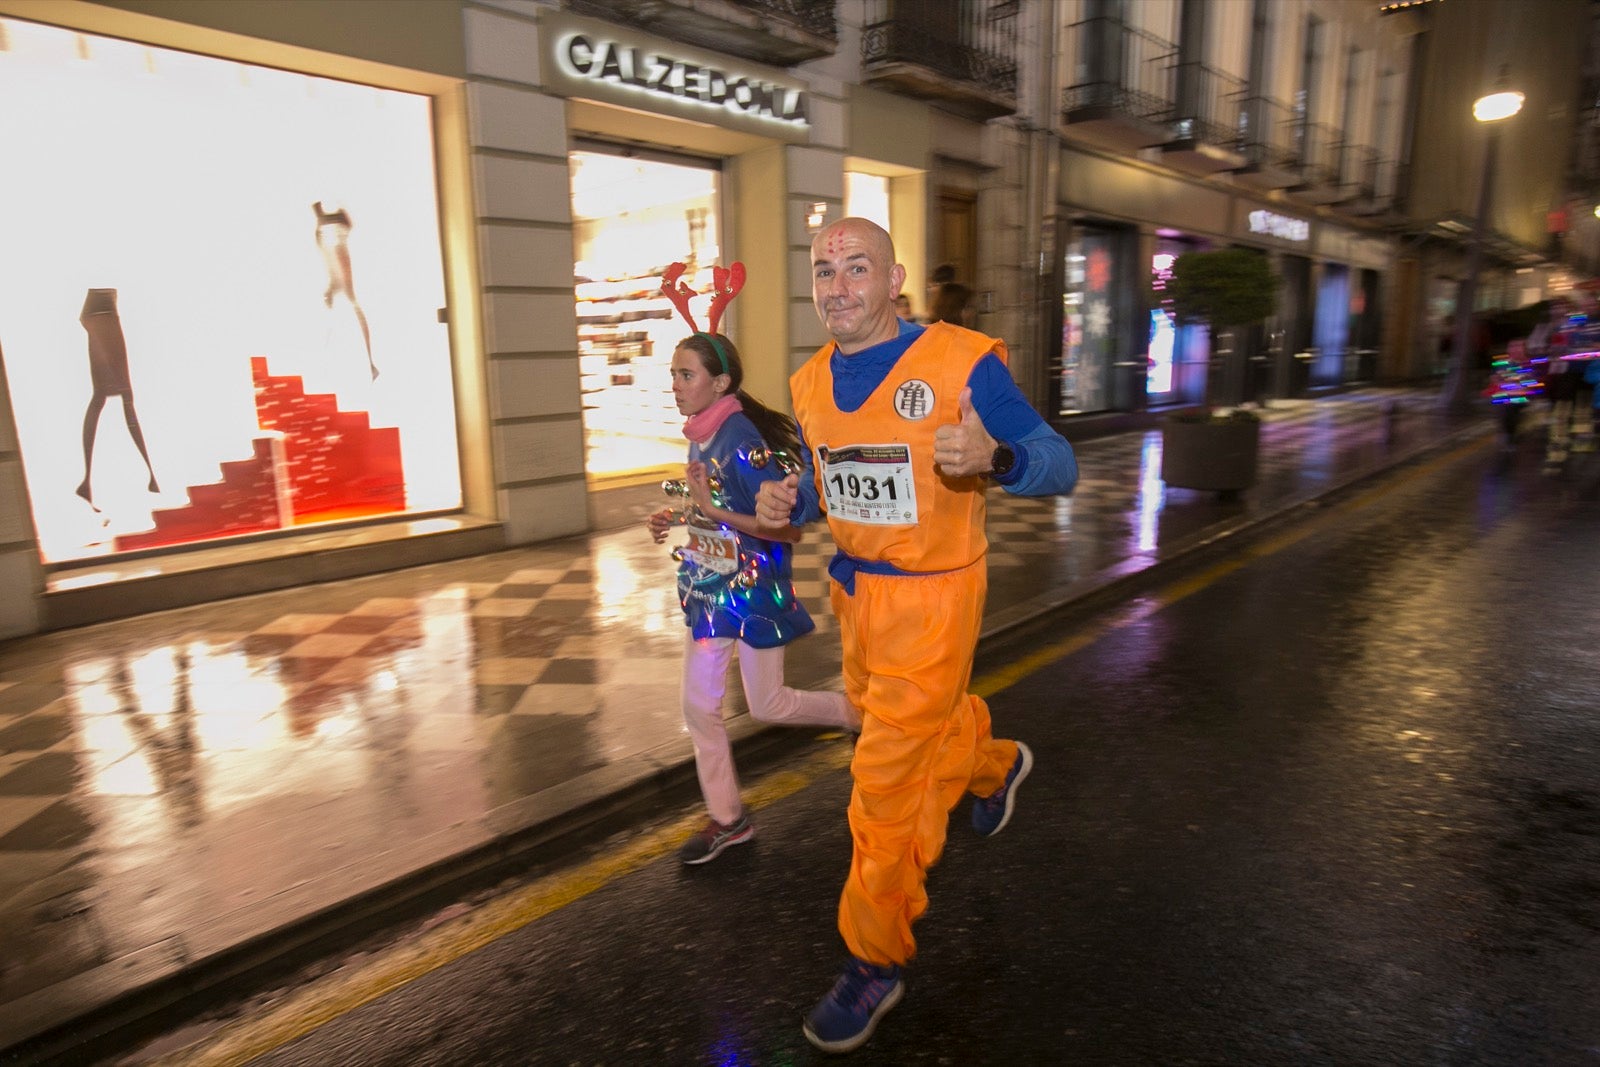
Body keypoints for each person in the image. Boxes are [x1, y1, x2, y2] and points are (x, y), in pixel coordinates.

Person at [753, 218, 1078, 1053]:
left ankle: (874, 958)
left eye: (856, 267)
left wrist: (996, 457)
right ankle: (995, 763)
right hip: (859, 600)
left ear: (894, 279)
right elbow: (832, 489)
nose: (837, 285)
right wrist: (792, 507)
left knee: (884, 782)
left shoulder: (962, 361)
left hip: (936, 603)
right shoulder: (808, 382)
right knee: (908, 731)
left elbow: (1059, 460)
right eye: (823, 269)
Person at [647, 328, 861, 865]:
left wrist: (712, 512)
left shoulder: (742, 440)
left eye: (685, 374)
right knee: (699, 706)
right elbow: (711, 498)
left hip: (753, 591)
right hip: (710, 590)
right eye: (673, 373)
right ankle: (728, 819)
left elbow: (785, 530)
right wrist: (678, 513)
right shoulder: (701, 430)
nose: (674, 384)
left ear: (720, 383)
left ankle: (858, 717)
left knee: (768, 704)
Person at [76, 287, 159, 509]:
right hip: (103, 314)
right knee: (119, 395)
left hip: (103, 313)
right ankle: (150, 473)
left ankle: (87, 482)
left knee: (106, 396)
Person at [1530, 300, 1576, 463]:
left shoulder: (1572, 325)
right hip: (1549, 372)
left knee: (1562, 407)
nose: (1557, 309)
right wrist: (1543, 350)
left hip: (1566, 371)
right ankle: (1555, 436)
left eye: (1560, 306)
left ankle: (1560, 438)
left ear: (1566, 308)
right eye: (1555, 307)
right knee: (1551, 406)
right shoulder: (1543, 328)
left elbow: (1577, 344)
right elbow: (1533, 346)